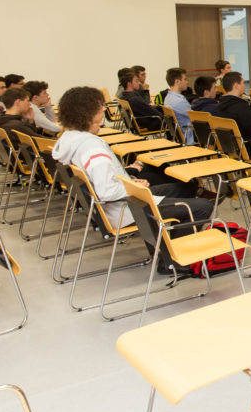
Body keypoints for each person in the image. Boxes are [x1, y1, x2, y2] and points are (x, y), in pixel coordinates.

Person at [52, 86, 211, 275]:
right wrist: (133, 188)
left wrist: (132, 181)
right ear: (85, 112)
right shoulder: (92, 148)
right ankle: (172, 261)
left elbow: (105, 182)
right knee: (203, 207)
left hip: (121, 203)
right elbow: (106, 191)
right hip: (127, 208)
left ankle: (164, 245)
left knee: (184, 187)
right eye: (100, 106)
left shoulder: (70, 140)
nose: (104, 109)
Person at [217, 71, 251, 161]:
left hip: (232, 150)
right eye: (242, 83)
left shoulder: (220, 106)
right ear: (236, 85)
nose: (244, 86)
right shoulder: (241, 108)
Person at [164, 68, 194, 145]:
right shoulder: (178, 101)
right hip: (190, 137)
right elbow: (195, 118)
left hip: (180, 136)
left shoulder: (168, 97)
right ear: (177, 82)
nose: (187, 82)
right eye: (185, 79)